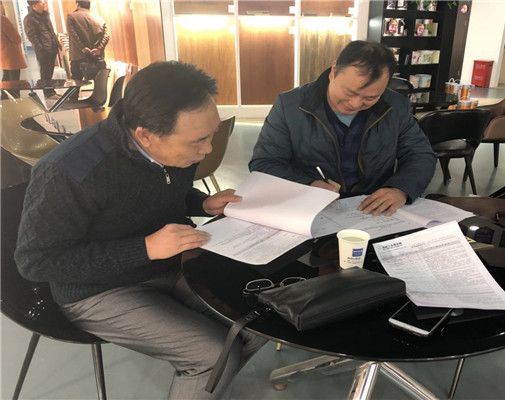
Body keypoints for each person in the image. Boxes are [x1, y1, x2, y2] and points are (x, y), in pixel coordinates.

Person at [15, 61, 265, 399]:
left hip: (171, 263)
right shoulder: (68, 171)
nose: (207, 150)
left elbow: (162, 189)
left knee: (260, 323)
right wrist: (145, 248)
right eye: (198, 141)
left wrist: (202, 204)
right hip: (98, 289)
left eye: (212, 134)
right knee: (213, 355)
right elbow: (36, 262)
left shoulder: (170, 148)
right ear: (145, 134)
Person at [249, 40, 436, 217]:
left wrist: (400, 189)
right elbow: (265, 163)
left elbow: (420, 154)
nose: (355, 104)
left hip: (373, 208)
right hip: (310, 206)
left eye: (370, 98)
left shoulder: (394, 105)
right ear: (333, 72)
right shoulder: (290, 105)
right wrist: (308, 184)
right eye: (349, 92)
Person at [23, 0, 61, 98]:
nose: (43, 4)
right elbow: (32, 36)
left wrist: (57, 43)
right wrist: (40, 48)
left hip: (52, 46)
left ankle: (51, 91)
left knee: (50, 70)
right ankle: (48, 93)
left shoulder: (45, 15)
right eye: (41, 2)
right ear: (34, 5)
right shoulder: (29, 19)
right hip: (43, 49)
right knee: (45, 71)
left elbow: (51, 31)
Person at [66, 0, 109, 80]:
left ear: (77, 4)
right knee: (99, 82)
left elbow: (73, 35)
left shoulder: (71, 17)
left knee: (76, 81)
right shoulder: (100, 19)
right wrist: (99, 48)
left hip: (78, 56)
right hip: (97, 56)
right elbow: (106, 36)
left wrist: (82, 47)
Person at [1, 0, 28, 99]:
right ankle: (15, 101)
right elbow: (16, 38)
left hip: (3, 55)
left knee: (6, 79)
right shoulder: (3, 20)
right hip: (11, 55)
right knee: (14, 82)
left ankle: (4, 99)